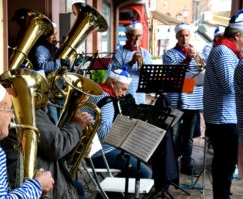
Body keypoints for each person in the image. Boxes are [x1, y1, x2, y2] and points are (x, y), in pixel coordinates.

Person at [85, 67, 152, 199]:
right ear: (113, 84)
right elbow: (103, 133)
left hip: (92, 152)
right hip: (101, 154)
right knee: (144, 173)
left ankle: (109, 195)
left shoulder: (97, 92)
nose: (123, 94)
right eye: (123, 89)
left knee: (137, 160)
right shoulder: (107, 102)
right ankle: (107, 196)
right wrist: (125, 129)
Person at [204, 10, 243, 199]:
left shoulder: (228, 51)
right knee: (224, 167)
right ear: (237, 36)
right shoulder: (224, 52)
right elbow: (231, 86)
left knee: (225, 166)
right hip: (223, 119)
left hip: (225, 117)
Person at [162, 22, 204, 175]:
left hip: (193, 98)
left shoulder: (195, 52)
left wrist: (198, 60)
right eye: (181, 35)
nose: (184, 38)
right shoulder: (169, 54)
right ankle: (171, 165)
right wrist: (186, 59)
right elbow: (171, 72)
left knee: (189, 135)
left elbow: (201, 70)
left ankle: (186, 164)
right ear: (176, 37)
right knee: (173, 133)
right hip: (176, 97)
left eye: (187, 35)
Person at [108, 19, 153, 105]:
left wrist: (143, 67)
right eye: (134, 35)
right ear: (127, 35)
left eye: (139, 36)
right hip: (124, 93)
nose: (137, 39)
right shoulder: (119, 52)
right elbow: (115, 73)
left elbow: (148, 76)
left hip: (140, 95)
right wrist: (131, 62)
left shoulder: (145, 53)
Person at [29, 21, 66, 123]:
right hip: (48, 90)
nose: (55, 37)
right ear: (45, 35)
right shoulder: (40, 48)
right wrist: (59, 62)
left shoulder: (55, 49)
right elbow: (41, 65)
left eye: (56, 34)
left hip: (59, 88)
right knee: (53, 120)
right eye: (52, 34)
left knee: (61, 119)